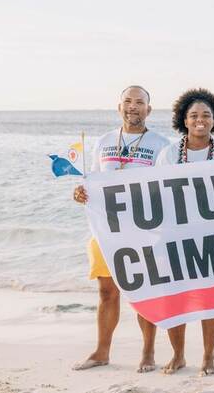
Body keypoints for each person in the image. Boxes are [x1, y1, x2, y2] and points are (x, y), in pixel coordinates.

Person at [71, 85, 179, 374]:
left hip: (142, 230)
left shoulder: (161, 144)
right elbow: (93, 180)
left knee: (144, 291)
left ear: (148, 109)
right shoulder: (103, 141)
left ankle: (148, 352)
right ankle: (101, 351)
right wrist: (82, 192)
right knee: (107, 292)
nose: (133, 107)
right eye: (127, 102)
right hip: (106, 229)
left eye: (139, 102)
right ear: (119, 107)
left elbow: (167, 190)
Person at [155, 87, 214, 376]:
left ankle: (208, 357)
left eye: (206, 115)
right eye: (194, 115)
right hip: (174, 236)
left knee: (210, 299)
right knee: (174, 297)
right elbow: (155, 192)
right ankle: (178, 355)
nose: (200, 120)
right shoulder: (169, 154)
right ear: (184, 120)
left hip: (213, 238)